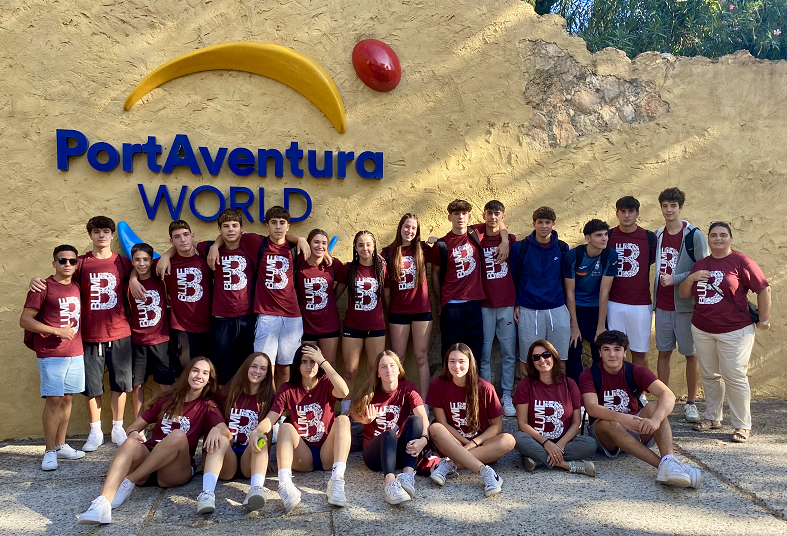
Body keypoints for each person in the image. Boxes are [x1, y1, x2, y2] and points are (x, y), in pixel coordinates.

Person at [77, 357, 224, 524]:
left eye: (205, 373)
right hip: (149, 458)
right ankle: (102, 504)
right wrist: (133, 434)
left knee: (178, 435)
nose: (199, 376)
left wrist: (216, 429)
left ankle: (129, 481)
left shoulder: (207, 405)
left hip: (174, 470)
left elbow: (226, 433)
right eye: (195, 370)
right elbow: (133, 428)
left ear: (209, 380)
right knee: (130, 443)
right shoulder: (167, 398)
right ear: (188, 373)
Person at [31, 216, 134, 450]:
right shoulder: (80, 263)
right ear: (90, 235)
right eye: (96, 231)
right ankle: (95, 431)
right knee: (92, 386)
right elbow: (60, 280)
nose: (101, 235)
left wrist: (135, 279)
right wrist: (36, 280)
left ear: (112, 235)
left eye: (106, 231)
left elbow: (140, 273)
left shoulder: (123, 262)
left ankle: (118, 428)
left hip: (120, 331)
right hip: (89, 334)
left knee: (120, 384)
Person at [678, 222, 771, 443]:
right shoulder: (701, 263)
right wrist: (691, 278)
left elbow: (763, 289)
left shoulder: (741, 261)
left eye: (723, 235)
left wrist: (764, 320)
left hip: (735, 330)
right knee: (710, 375)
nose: (718, 239)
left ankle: (742, 425)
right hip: (702, 329)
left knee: (734, 376)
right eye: (713, 235)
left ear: (730, 238)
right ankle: (712, 417)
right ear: (708, 239)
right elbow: (684, 294)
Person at [579, 330, 701, 488]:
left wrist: (656, 420)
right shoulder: (589, 375)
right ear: (600, 353)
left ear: (624, 353)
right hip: (606, 437)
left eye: (617, 349)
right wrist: (622, 418)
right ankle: (667, 467)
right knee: (610, 423)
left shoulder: (635, 370)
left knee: (655, 406)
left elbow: (668, 395)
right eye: (606, 349)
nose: (612, 354)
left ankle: (669, 461)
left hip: (636, 427)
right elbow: (592, 408)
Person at [158, 209, 256, 386]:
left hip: (239, 319)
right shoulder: (198, 255)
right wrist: (165, 255)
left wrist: (215, 245)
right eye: (225, 226)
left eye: (234, 225)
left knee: (243, 368)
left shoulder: (244, 247)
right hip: (207, 323)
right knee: (203, 372)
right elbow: (143, 269)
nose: (183, 239)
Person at [255, 344, 351, 512]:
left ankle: (337, 480)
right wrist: (257, 431)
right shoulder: (287, 389)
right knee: (285, 427)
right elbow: (271, 417)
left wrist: (323, 361)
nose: (309, 366)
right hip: (302, 455)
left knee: (343, 420)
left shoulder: (326, 383)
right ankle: (285, 485)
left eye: (313, 362)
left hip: (327, 452)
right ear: (297, 366)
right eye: (304, 362)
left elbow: (344, 391)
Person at [20, 245, 86, 471]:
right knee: (54, 400)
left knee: (67, 399)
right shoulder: (42, 287)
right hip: (52, 353)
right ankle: (49, 451)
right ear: (54, 263)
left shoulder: (76, 286)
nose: (67, 264)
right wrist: (57, 331)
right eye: (62, 260)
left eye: (72, 261)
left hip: (75, 351)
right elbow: (25, 320)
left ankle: (61, 445)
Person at [426, 343, 515, 497]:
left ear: (470, 363)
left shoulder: (485, 387)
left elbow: (497, 426)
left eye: (461, 361)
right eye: (452, 361)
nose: (456, 366)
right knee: (435, 428)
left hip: (481, 445)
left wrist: (474, 443)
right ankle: (486, 473)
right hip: (453, 442)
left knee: (509, 440)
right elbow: (442, 423)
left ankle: (449, 465)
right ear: (446, 363)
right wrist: (464, 444)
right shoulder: (437, 385)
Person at [653, 188, 709, 424]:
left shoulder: (694, 235)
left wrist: (675, 279)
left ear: (680, 207)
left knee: (690, 354)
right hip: (662, 305)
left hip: (686, 306)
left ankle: (691, 403)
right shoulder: (657, 235)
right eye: (665, 206)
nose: (669, 210)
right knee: (663, 352)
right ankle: (664, 401)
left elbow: (703, 268)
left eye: (673, 206)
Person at [197, 352, 276, 514]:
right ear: (246, 367)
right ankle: (207, 494)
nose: (257, 371)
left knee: (260, 438)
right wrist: (204, 458)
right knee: (219, 437)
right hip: (227, 458)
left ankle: (256, 489)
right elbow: (212, 422)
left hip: (249, 458)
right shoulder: (227, 393)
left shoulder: (268, 398)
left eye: (263, 368)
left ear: (267, 374)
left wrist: (265, 458)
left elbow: (268, 431)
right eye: (254, 366)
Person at [350, 350, 429, 505]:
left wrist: (424, 439)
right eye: (383, 367)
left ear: (399, 369)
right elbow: (352, 412)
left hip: (398, 453)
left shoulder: (407, 387)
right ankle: (390, 484)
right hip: (374, 456)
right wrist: (364, 419)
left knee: (415, 421)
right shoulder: (371, 390)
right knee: (389, 434)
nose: (389, 370)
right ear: (378, 373)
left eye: (392, 365)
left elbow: (422, 417)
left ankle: (407, 476)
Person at [512, 340, 596, 476]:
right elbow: (522, 423)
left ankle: (538, 460)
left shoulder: (569, 384)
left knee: (590, 443)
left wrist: (559, 445)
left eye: (546, 355)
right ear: (532, 362)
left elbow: (577, 423)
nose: (542, 360)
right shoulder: (525, 385)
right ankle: (567, 465)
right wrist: (546, 443)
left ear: (554, 357)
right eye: (536, 357)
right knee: (517, 438)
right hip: (537, 441)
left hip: (564, 443)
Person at [511, 207, 571, 379]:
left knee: (559, 357)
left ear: (553, 224)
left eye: (547, 222)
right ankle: (528, 394)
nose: (544, 226)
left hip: (557, 308)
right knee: (527, 358)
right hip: (529, 309)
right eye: (540, 222)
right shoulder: (520, 248)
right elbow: (514, 277)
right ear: (534, 224)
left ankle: (559, 393)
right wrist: (516, 303)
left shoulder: (562, 247)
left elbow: (566, 279)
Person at [470, 201, 516, 417]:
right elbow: (464, 228)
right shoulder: (476, 237)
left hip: (507, 303)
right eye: (489, 213)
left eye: (497, 214)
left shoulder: (511, 240)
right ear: (484, 215)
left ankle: (506, 395)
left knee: (508, 352)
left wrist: (505, 240)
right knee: (484, 354)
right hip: (484, 305)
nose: (493, 217)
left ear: (503, 216)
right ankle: (486, 397)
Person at [383, 214, 434, 401]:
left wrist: (437, 242)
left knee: (421, 357)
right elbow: (386, 291)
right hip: (398, 311)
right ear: (400, 227)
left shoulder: (423, 249)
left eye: (413, 228)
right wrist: (389, 311)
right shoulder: (388, 253)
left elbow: (445, 256)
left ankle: (424, 403)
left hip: (421, 310)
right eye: (407, 227)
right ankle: (397, 401)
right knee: (398, 359)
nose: (409, 231)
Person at [337, 231, 387, 414]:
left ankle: (372, 410)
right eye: (360, 245)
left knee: (373, 371)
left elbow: (387, 297)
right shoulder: (349, 269)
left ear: (374, 247)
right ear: (355, 248)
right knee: (350, 371)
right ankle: (345, 412)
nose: (365, 248)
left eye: (368, 244)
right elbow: (335, 295)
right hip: (353, 327)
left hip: (376, 326)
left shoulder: (382, 269)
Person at [562, 219, 618, 383]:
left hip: (596, 307)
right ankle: (575, 389)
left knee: (599, 348)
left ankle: (599, 387)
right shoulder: (573, 256)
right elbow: (570, 292)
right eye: (598, 235)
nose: (604, 238)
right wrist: (574, 324)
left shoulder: (609, 255)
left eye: (606, 234)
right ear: (587, 238)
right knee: (574, 348)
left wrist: (601, 326)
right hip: (576, 306)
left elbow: (604, 292)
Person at [430, 200, 485, 361]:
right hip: (452, 305)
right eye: (456, 214)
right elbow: (435, 275)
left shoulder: (476, 234)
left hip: (474, 303)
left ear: (469, 217)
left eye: (464, 213)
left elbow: (498, 223)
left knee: (474, 353)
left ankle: (473, 379)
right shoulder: (441, 244)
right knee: (451, 352)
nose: (460, 217)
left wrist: (505, 241)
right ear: (449, 217)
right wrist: (440, 302)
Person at [606, 197, 656, 368]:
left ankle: (639, 385)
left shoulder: (649, 238)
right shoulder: (609, 236)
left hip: (640, 303)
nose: (627, 215)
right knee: (614, 352)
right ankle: (618, 384)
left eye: (631, 211)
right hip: (614, 303)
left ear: (637, 213)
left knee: (639, 352)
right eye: (623, 211)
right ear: (617, 214)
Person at [161, 220, 213, 373]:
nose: (183, 240)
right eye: (177, 237)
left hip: (209, 326)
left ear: (192, 236)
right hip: (182, 328)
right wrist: (133, 280)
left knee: (207, 373)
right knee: (184, 373)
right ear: (171, 241)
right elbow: (141, 268)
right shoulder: (166, 264)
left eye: (186, 235)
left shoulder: (206, 260)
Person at [128, 243, 173, 418]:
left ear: (152, 260)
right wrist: (133, 280)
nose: (142, 264)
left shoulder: (162, 280)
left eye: (146, 259)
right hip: (137, 342)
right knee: (137, 385)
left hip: (160, 341)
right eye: (137, 260)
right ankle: (138, 425)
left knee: (166, 384)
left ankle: (169, 421)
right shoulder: (128, 286)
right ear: (132, 262)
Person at [297, 229, 344, 368]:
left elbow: (346, 277)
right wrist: (299, 239)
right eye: (316, 242)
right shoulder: (299, 262)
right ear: (309, 244)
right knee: (308, 364)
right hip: (306, 325)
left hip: (329, 324)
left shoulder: (332, 264)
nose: (320, 246)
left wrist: (334, 296)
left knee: (328, 365)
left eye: (324, 243)